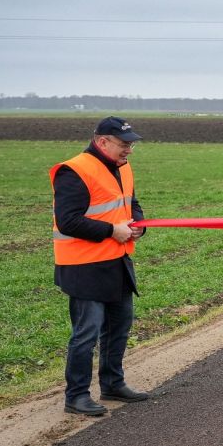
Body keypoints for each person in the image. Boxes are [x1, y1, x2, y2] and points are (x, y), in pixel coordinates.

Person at [51, 117, 150, 416]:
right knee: (87, 332)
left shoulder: (122, 167)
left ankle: (112, 383)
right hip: (83, 266)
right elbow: (68, 220)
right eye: (124, 144)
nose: (129, 150)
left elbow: (131, 203)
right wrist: (111, 231)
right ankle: (77, 395)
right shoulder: (74, 170)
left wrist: (138, 225)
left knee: (119, 325)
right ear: (102, 141)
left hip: (116, 260)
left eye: (131, 144)